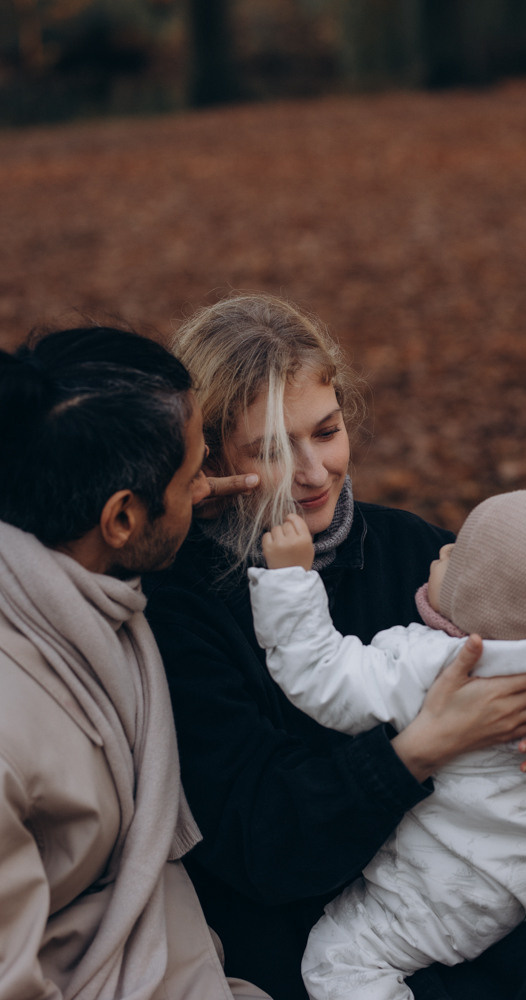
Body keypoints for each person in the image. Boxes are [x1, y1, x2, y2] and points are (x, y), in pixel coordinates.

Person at [143, 293, 526, 1000]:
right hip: (315, 924)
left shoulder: (413, 552)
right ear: (211, 458)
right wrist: (419, 750)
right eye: (270, 450)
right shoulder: (186, 606)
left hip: (476, 877)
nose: (313, 472)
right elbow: (258, 845)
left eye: (324, 432)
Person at [249, 492, 526, 999]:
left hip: (452, 890)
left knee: (336, 961)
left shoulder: (429, 666)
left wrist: (290, 581)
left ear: (483, 599)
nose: (442, 550)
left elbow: (320, 674)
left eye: (457, 557)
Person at [0, 326, 269, 1000]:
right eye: (188, 477)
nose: (203, 486)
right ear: (121, 521)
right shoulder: (12, 728)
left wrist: (175, 503)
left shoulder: (58, 566)